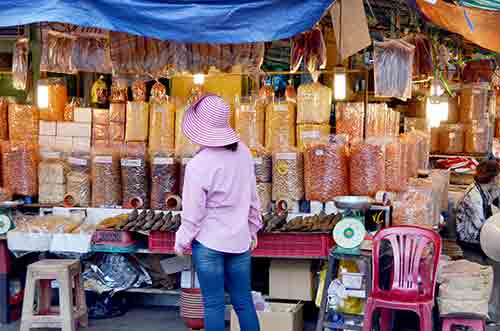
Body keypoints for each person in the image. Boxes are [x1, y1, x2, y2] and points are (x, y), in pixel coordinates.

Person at [174, 94, 262, 331]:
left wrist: (182, 241)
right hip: (240, 241)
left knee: (212, 305)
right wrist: (253, 229)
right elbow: (253, 198)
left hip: (209, 243)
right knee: (243, 303)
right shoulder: (243, 152)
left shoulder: (198, 165)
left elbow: (193, 215)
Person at [456, 159, 500, 323]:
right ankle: (489, 312)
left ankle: (490, 309)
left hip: (479, 238)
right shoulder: (474, 196)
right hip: (471, 242)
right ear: (494, 178)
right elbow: (482, 227)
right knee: (496, 268)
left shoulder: (484, 190)